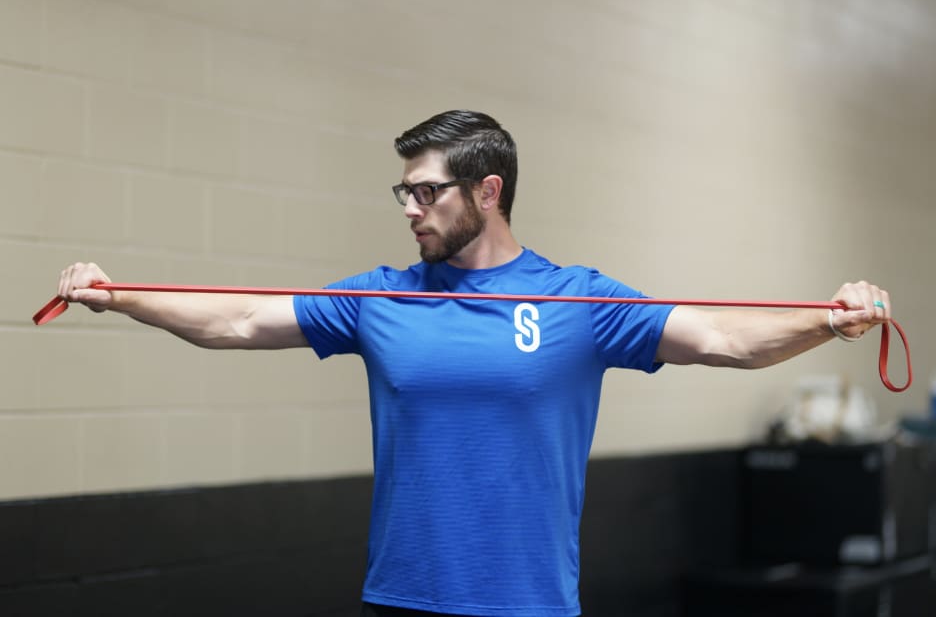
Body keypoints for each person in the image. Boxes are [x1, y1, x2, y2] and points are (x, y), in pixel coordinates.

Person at [55, 110, 891, 617]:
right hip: (401, 597)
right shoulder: (379, 297)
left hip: (525, 605)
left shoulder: (576, 300)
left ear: (488, 192)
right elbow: (235, 321)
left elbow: (724, 339)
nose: (411, 209)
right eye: (405, 193)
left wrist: (828, 320)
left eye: (428, 192)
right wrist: (119, 296)